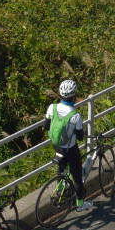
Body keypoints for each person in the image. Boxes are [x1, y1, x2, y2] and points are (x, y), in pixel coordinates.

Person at [45, 79, 87, 210]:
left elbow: (46, 126)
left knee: (62, 163)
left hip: (57, 145)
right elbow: (80, 137)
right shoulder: (76, 116)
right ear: (74, 96)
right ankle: (80, 204)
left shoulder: (52, 107)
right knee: (77, 177)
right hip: (70, 149)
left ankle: (60, 187)